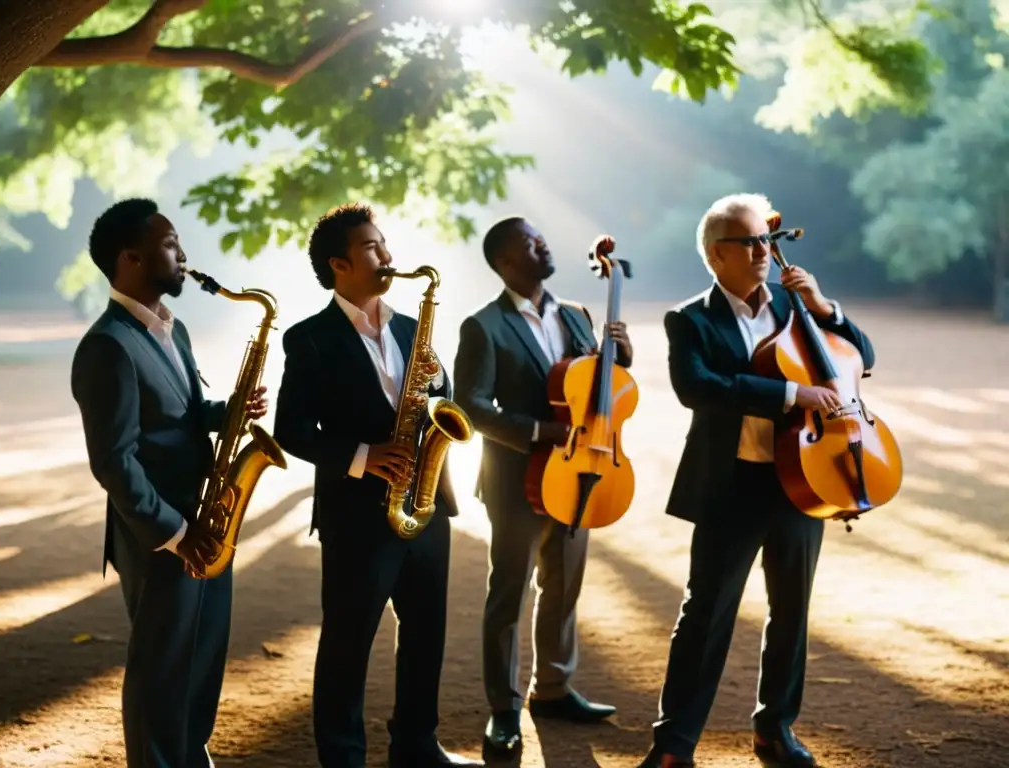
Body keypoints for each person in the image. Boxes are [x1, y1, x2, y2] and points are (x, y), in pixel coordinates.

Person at [637, 193, 875, 768]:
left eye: (766, 241)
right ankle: (674, 746)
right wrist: (792, 394)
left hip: (805, 480)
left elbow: (860, 358)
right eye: (750, 241)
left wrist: (824, 306)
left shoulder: (795, 309)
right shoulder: (689, 319)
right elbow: (699, 388)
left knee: (792, 612)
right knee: (706, 614)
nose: (764, 251)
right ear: (718, 255)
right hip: (731, 485)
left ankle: (776, 730)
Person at [272, 202, 483, 768]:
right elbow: (291, 430)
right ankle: (342, 757)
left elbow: (440, 396)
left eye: (385, 243)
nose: (388, 256)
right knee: (347, 644)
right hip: (357, 515)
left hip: (426, 502)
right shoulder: (308, 339)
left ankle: (417, 746)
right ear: (340, 264)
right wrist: (365, 457)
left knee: (425, 636)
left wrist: (435, 398)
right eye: (372, 248)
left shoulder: (415, 329)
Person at [70, 198, 269, 768]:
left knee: (202, 657)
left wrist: (225, 411)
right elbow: (113, 461)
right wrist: (176, 534)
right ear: (130, 258)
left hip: (205, 519)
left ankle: (189, 751)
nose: (184, 256)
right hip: (161, 536)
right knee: (160, 670)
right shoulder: (106, 346)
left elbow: (177, 411)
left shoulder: (168, 331)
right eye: (171, 244)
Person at [453, 217, 632, 759]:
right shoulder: (482, 326)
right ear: (506, 262)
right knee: (508, 593)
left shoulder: (578, 315)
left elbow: (600, 387)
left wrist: (619, 353)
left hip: (580, 473)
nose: (544, 244)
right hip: (515, 479)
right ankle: (504, 710)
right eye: (531, 243)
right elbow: (472, 406)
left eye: (542, 238)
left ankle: (552, 689)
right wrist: (538, 431)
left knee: (564, 585)